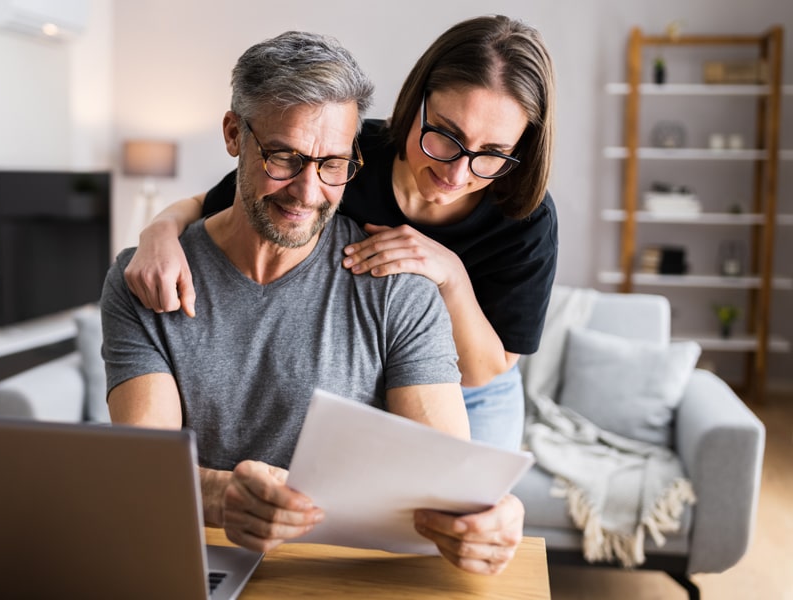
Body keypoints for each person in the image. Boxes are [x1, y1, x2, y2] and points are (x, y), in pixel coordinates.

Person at [102, 30, 523, 576]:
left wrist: (497, 514)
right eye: (284, 157)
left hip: (338, 577)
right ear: (234, 135)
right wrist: (219, 496)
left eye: (333, 164)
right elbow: (142, 469)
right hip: (196, 565)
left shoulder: (398, 285)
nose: (307, 192)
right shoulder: (148, 278)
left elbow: (448, 483)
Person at [124, 15, 558, 453]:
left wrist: (451, 275)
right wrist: (158, 232)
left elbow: (485, 370)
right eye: (445, 135)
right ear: (416, 103)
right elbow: (215, 203)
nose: (457, 171)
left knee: (467, 508)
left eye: (493, 153)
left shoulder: (525, 215)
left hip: (475, 390)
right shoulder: (341, 152)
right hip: (382, 367)